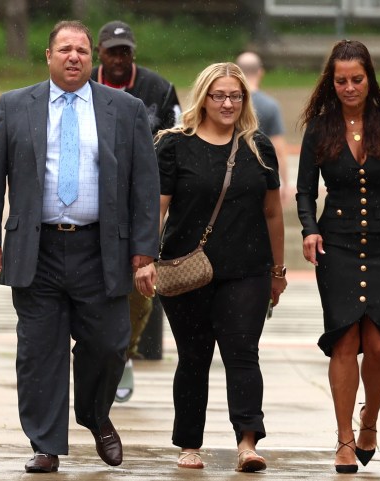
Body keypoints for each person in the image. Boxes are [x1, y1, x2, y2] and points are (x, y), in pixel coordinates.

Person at [0, 20, 159, 473]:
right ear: (48, 56)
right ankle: (46, 444)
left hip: (100, 250)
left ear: (91, 57)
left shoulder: (125, 108)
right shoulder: (15, 106)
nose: (73, 57)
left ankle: (95, 416)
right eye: (64, 49)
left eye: (81, 50)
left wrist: (144, 249)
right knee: (40, 351)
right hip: (37, 249)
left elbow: (144, 185)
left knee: (110, 342)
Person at [135, 62, 287, 472]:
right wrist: (145, 258)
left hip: (248, 270)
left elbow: (273, 213)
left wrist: (278, 271)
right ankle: (189, 444)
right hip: (187, 271)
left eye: (235, 96)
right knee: (193, 357)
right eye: (219, 95)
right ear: (203, 98)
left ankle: (247, 442)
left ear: (245, 99)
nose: (227, 103)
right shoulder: (173, 145)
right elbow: (158, 209)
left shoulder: (257, 146)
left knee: (243, 354)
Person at [295, 39, 380, 474]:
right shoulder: (320, 127)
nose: (349, 87)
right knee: (345, 340)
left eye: (357, 79)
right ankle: (344, 440)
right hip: (335, 241)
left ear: (369, 77)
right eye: (341, 81)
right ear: (330, 82)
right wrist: (309, 229)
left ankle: (369, 419)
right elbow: (303, 189)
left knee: (377, 344)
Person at [91, 19, 181, 403]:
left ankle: (122, 354)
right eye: (112, 51)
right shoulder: (80, 87)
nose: (118, 58)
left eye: (124, 51)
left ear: (134, 52)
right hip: (90, 202)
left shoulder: (158, 90)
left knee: (139, 291)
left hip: (141, 202)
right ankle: (95, 357)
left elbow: (179, 140)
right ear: (100, 53)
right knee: (86, 285)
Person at [235, 51, 291, 202]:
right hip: (261, 180)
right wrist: (284, 183)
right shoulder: (270, 106)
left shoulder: (228, 104)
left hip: (232, 177)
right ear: (260, 72)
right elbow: (279, 150)